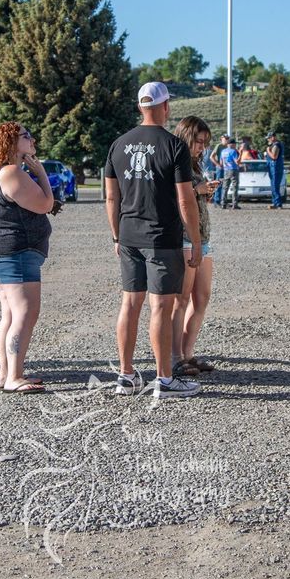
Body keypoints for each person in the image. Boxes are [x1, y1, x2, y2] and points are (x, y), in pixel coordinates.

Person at [104, 82, 202, 400]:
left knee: (130, 304)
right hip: (161, 237)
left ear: (139, 107)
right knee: (160, 306)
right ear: (165, 107)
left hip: (129, 234)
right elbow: (186, 200)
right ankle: (164, 379)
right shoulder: (174, 146)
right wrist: (196, 241)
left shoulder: (119, 145)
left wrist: (116, 234)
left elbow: (110, 196)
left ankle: (126, 374)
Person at [0, 122, 55, 394]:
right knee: (25, 313)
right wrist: (42, 173)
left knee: (10, 315)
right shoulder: (12, 172)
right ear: (11, 143)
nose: (32, 139)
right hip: (16, 254)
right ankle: (14, 376)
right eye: (25, 136)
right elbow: (46, 203)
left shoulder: (2, 172)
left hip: (4, 252)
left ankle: (6, 373)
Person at [171, 116, 219, 378]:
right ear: (187, 137)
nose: (202, 147)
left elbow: (192, 195)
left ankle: (188, 353)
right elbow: (171, 194)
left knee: (201, 297)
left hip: (203, 237)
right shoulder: (173, 162)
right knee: (181, 299)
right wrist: (196, 189)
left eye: (205, 143)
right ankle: (176, 357)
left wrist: (203, 192)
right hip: (183, 237)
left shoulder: (193, 164)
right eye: (198, 142)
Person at [264, 131, 286, 209]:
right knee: (273, 186)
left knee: (275, 186)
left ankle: (278, 203)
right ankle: (275, 202)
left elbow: (274, 157)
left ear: (273, 137)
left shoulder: (276, 145)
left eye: (269, 138)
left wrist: (268, 151)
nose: (268, 140)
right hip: (273, 167)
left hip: (275, 167)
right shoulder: (275, 145)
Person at [218, 137, 241, 210]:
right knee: (235, 187)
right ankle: (234, 204)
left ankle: (223, 204)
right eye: (234, 144)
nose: (235, 145)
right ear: (232, 144)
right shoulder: (233, 151)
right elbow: (237, 161)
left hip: (226, 170)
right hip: (233, 169)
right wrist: (241, 153)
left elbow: (221, 163)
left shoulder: (223, 151)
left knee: (225, 187)